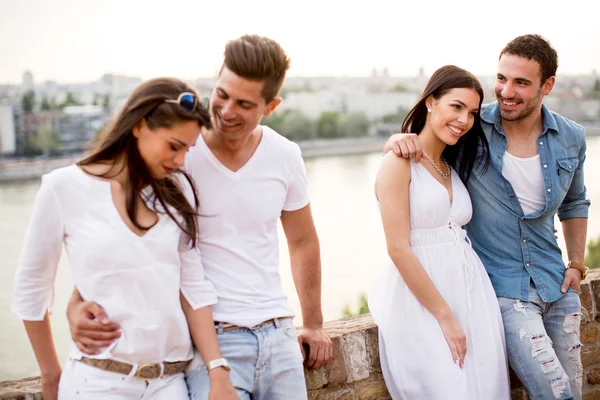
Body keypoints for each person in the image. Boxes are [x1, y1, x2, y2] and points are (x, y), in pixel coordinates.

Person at [65, 35, 332, 400]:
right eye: (221, 94)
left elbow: (302, 241)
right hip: (211, 341)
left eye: (243, 103)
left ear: (271, 106)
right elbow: (124, 236)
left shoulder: (285, 155)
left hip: (279, 334)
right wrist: (76, 302)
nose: (225, 110)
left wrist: (314, 323)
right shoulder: (178, 154)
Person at [383, 34, 590, 400]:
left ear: (548, 86)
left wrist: (576, 263)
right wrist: (394, 143)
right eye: (502, 78)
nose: (506, 91)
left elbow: (575, 203)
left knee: (572, 389)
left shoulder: (571, 137)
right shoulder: (474, 129)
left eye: (521, 83)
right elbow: (427, 142)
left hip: (556, 284)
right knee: (556, 394)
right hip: (505, 290)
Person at [11, 78, 238, 399]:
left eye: (187, 150)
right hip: (96, 383)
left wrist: (218, 369)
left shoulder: (177, 192)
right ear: (139, 126)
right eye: (174, 146)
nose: (180, 161)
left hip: (169, 384)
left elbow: (193, 287)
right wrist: (51, 377)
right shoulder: (62, 187)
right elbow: (31, 290)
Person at [368, 65, 510, 399]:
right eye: (456, 106)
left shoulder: (452, 163)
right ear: (431, 101)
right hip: (423, 304)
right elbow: (398, 248)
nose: (464, 120)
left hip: (473, 298)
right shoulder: (398, 163)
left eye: (472, 113)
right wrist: (444, 316)